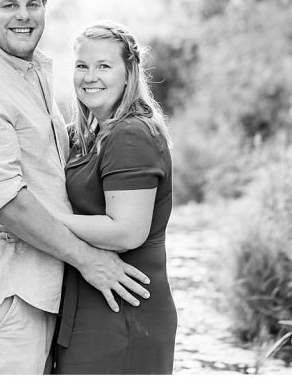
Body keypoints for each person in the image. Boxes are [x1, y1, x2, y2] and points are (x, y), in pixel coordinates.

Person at [0, 0, 150, 374]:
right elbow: (9, 204)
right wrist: (89, 261)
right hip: (0, 297)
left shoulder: (29, 77)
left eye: (33, 4)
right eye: (9, 5)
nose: (24, 16)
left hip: (36, 291)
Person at [48, 21, 177, 374]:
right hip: (93, 307)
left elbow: (127, 231)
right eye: (82, 66)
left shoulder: (129, 135)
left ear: (129, 73)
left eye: (104, 66)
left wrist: (43, 219)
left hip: (125, 313)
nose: (91, 77)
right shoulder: (88, 135)